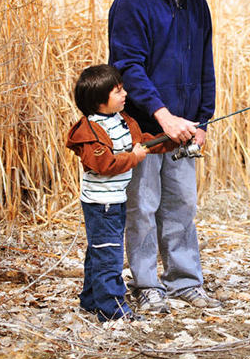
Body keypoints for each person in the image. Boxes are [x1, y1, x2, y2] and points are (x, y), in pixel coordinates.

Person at [107, 0, 219, 314]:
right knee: (142, 206)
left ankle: (185, 281)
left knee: (182, 204)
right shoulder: (132, 2)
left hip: (184, 126)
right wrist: (162, 115)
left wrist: (202, 120)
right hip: (144, 126)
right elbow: (128, 68)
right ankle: (146, 285)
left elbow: (204, 59)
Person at [66, 64, 174, 322]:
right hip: (101, 205)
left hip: (116, 201)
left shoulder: (122, 120)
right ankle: (112, 310)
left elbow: (142, 142)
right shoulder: (90, 131)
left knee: (99, 252)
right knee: (108, 256)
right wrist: (133, 158)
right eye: (117, 91)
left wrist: (172, 139)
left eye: (123, 88)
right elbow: (104, 164)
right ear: (99, 100)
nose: (125, 94)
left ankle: (91, 300)